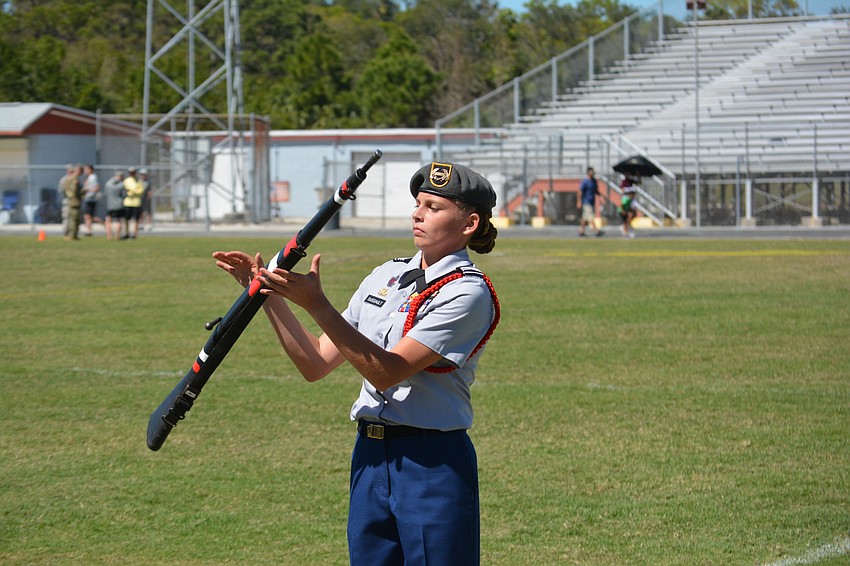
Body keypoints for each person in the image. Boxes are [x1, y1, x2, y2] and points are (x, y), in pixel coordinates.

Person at [213, 161, 500, 566]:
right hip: (369, 455)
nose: (417, 213)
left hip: (431, 462)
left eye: (433, 207)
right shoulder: (386, 274)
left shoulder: (467, 292)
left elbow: (386, 371)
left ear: (469, 223)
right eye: (418, 203)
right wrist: (263, 294)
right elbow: (315, 362)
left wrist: (318, 305)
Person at [59, 163, 83, 240]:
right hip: (69, 201)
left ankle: (73, 234)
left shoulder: (73, 178)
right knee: (69, 218)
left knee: (74, 219)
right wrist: (71, 196)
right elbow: (66, 191)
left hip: (73, 201)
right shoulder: (68, 179)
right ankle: (68, 234)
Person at [578, 166, 603, 237]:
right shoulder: (585, 181)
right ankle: (596, 230)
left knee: (584, 217)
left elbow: (596, 190)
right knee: (591, 216)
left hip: (592, 202)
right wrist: (579, 201)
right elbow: (580, 191)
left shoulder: (594, 181)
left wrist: (600, 197)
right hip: (586, 202)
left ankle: (582, 231)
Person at [122, 167, 144, 239]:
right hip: (127, 203)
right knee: (126, 219)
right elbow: (126, 189)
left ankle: (134, 234)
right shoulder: (127, 180)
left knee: (135, 219)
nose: (132, 174)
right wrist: (134, 190)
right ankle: (126, 233)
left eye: (133, 172)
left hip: (136, 203)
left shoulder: (139, 181)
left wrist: (132, 191)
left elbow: (140, 191)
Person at [104, 170, 125, 241]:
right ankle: (117, 236)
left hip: (110, 205)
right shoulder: (122, 185)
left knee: (108, 220)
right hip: (119, 205)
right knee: (118, 221)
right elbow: (124, 195)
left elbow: (106, 194)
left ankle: (109, 237)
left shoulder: (108, 184)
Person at [81, 164, 101, 237]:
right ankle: (88, 230)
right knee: (88, 216)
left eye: (87, 169)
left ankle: (89, 231)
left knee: (88, 216)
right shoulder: (89, 177)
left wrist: (87, 190)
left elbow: (96, 188)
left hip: (90, 199)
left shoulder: (93, 177)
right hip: (87, 198)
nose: (85, 171)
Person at [139, 168, 154, 232]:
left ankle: (149, 225)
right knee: (140, 212)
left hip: (146, 199)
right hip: (140, 199)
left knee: (148, 212)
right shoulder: (138, 181)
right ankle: (141, 225)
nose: (143, 176)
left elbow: (150, 191)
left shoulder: (148, 182)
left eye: (144, 174)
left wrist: (149, 196)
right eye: (142, 174)